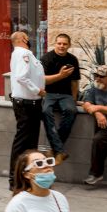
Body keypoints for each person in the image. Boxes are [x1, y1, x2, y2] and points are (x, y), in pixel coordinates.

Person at [9, 30, 47, 190]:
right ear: (23, 39)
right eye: (27, 37)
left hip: (30, 103)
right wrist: (36, 90)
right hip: (27, 103)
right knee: (24, 142)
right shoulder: (23, 53)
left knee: (30, 142)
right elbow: (22, 77)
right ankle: (15, 179)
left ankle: (27, 176)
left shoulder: (20, 54)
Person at [40, 34, 80, 163]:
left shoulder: (73, 59)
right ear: (55, 43)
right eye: (59, 43)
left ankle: (55, 149)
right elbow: (43, 80)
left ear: (69, 45)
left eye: (64, 44)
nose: (61, 46)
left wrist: (74, 99)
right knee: (45, 111)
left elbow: (74, 81)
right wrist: (61, 75)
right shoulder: (46, 58)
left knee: (71, 111)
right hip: (49, 93)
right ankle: (60, 151)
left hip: (65, 94)